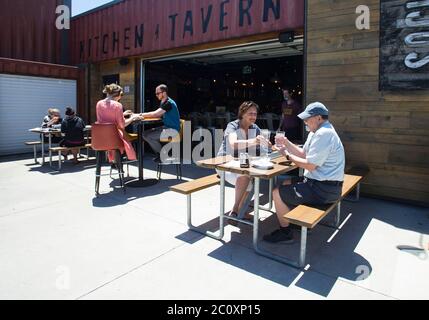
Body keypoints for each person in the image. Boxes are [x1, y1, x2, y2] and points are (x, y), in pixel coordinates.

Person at [263, 102, 345, 244]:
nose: (305, 121)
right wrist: (286, 142)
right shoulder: (317, 132)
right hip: (322, 184)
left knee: (277, 192)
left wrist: (286, 154)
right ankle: (294, 222)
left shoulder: (324, 134)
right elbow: (303, 154)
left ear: (319, 118)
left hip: (324, 189)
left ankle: (285, 233)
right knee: (286, 183)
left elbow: (310, 165)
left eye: (308, 118)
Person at [217, 101, 269, 222]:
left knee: (248, 178)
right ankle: (236, 210)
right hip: (224, 164)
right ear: (242, 113)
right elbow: (233, 144)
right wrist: (254, 141)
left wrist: (271, 145)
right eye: (250, 113)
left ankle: (237, 212)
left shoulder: (254, 128)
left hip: (241, 164)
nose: (253, 116)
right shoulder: (233, 126)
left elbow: (264, 144)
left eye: (255, 114)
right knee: (246, 177)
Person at [96, 84, 142, 163]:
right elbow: (122, 125)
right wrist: (132, 118)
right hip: (114, 139)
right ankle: (122, 161)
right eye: (121, 95)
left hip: (101, 138)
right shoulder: (118, 105)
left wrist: (122, 114)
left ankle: (114, 163)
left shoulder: (99, 104)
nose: (121, 97)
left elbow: (106, 118)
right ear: (117, 95)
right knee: (135, 138)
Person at [140, 84, 180, 162]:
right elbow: (158, 114)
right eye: (156, 93)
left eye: (158, 93)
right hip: (166, 127)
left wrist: (139, 115)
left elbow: (155, 114)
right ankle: (161, 155)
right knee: (144, 134)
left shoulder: (168, 103)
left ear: (164, 93)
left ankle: (163, 155)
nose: (156, 95)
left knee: (149, 136)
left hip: (172, 130)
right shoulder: (163, 102)